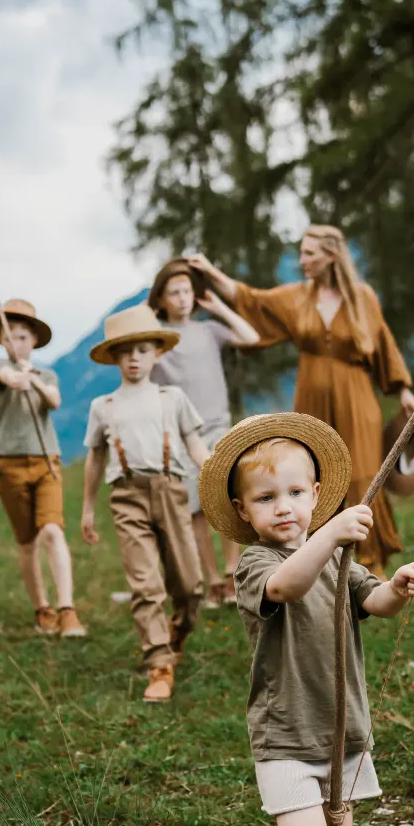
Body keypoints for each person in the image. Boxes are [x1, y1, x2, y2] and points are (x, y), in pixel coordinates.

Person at [198, 412, 414, 826]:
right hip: (285, 728)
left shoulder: (341, 560)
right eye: (266, 497)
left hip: (341, 726)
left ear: (317, 493)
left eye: (296, 493)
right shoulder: (258, 564)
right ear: (244, 511)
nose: (284, 507)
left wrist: (398, 588)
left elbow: (372, 602)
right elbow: (287, 586)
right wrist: (329, 533)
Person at [188, 227, 414, 578]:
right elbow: (253, 299)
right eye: (302, 253)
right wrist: (210, 271)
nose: (302, 261)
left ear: (331, 256)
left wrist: (402, 387)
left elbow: (383, 343)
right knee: (313, 473)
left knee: (361, 476)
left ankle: (370, 564)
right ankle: (321, 563)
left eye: (309, 253)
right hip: (311, 398)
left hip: (357, 398)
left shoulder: (361, 297)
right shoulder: (297, 296)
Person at [81, 304, 208, 703]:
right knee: (145, 583)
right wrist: (87, 507)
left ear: (157, 352)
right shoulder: (104, 407)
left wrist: (217, 482)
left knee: (190, 584)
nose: (134, 358)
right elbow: (95, 458)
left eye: (142, 349)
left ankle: (177, 632)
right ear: (114, 357)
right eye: (125, 351)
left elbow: (196, 446)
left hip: (172, 490)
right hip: (127, 496)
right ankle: (159, 664)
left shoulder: (173, 398)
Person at [148, 258, 259, 609]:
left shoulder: (209, 329)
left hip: (219, 427)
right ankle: (212, 580)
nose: (182, 298)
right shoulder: (156, 340)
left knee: (228, 499)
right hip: (181, 434)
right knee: (195, 510)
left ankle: (232, 572)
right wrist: (147, 314)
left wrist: (222, 309)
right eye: (173, 293)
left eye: (186, 291)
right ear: (161, 299)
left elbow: (251, 337)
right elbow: (124, 343)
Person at [0, 299, 85, 639]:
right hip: (9, 464)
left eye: (23, 337)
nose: (16, 344)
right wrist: (16, 376)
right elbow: (6, 376)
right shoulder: (0, 366)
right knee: (26, 542)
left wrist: (33, 379)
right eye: (10, 337)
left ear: (34, 340)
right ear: (1, 341)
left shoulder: (48, 375)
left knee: (53, 531)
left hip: (46, 461)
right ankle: (43, 608)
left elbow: (54, 401)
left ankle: (68, 610)